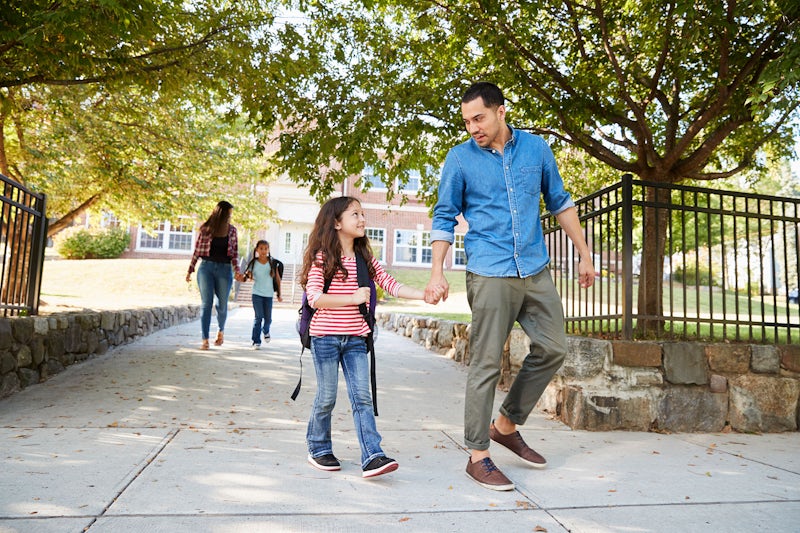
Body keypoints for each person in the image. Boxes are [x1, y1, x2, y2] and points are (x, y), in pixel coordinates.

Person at [425, 82, 595, 491]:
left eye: (479, 118)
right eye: (467, 121)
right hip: (490, 269)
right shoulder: (460, 159)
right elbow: (444, 216)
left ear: (501, 111)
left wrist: (584, 254)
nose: (473, 128)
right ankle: (478, 455)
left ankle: (505, 425)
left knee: (553, 347)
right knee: (486, 363)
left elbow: (560, 201)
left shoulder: (536, 149)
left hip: (534, 267)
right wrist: (436, 271)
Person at [300, 196, 442, 479]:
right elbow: (314, 297)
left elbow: (390, 284)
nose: (362, 219)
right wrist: (352, 298)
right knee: (326, 397)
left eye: (362, 213)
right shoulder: (322, 258)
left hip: (356, 338)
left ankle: (372, 455)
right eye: (355, 214)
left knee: (362, 398)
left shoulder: (364, 259)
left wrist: (424, 295)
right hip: (325, 337)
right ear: (336, 223)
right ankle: (318, 447)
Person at [186, 201, 244, 350]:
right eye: (229, 213)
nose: (230, 216)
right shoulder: (206, 229)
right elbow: (197, 250)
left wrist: (237, 271)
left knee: (222, 305)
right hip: (206, 268)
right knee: (206, 304)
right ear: (222, 213)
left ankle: (220, 331)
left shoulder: (232, 231)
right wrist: (190, 269)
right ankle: (205, 339)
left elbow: (235, 253)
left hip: (225, 269)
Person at [243, 240, 282, 349]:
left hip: (268, 295)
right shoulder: (253, 263)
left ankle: (266, 330)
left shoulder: (272, 263)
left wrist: (279, 294)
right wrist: (245, 276)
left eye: (266, 248)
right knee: (258, 317)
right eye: (261, 248)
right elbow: (247, 276)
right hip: (257, 294)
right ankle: (256, 341)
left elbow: (278, 279)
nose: (263, 251)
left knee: (268, 319)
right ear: (257, 250)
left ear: (268, 250)